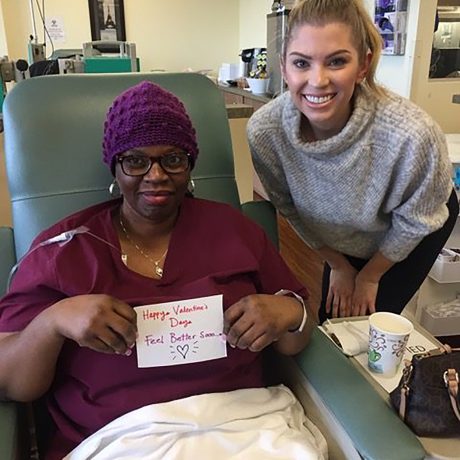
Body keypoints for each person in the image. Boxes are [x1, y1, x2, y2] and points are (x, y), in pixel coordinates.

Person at [0, 81, 326, 459]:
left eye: (173, 159)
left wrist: (288, 311)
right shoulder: (65, 250)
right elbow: (10, 382)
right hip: (118, 438)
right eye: (136, 160)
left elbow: (296, 335)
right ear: (115, 166)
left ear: (190, 165)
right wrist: (53, 322)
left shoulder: (236, 232)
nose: (155, 175)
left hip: (243, 429)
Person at [247, 0, 458, 324]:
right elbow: (289, 206)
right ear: (284, 67)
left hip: (415, 218)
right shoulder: (266, 133)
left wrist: (371, 275)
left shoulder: (411, 135)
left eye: (336, 62)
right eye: (301, 63)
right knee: (332, 319)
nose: (317, 80)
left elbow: (417, 220)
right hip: (344, 222)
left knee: (371, 318)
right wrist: (339, 265)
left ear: (363, 65)